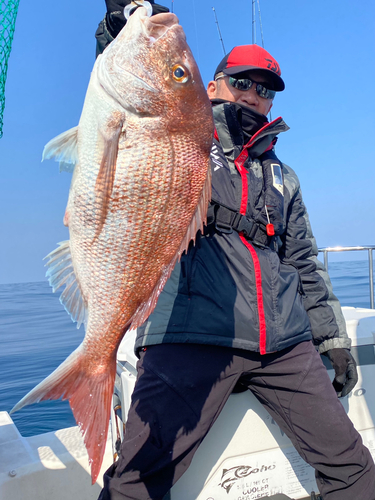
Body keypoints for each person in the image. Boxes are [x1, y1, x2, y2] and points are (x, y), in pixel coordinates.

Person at [95, 2, 375, 499]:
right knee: (135, 481)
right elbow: (131, 109)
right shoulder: (187, 145)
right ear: (211, 86)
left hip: (285, 344)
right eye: (241, 82)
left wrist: (330, 339)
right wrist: (119, 33)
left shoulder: (284, 177)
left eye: (264, 90)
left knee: (354, 468)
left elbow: (304, 264)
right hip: (191, 336)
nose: (253, 96)